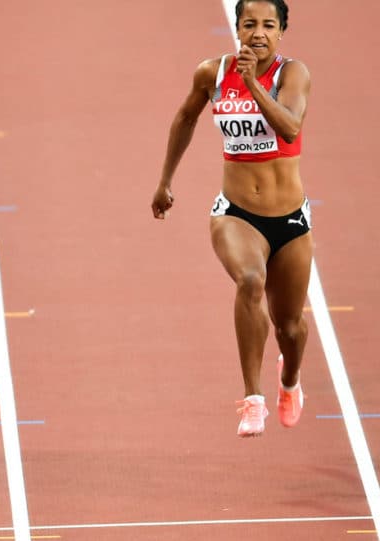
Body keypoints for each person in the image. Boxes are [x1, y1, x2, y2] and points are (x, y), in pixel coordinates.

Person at [151, 0, 310, 437]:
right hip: (236, 213)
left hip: (291, 219)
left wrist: (253, 85)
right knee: (249, 281)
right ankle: (252, 399)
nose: (258, 33)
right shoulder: (212, 73)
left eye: (268, 25)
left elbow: (290, 128)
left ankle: (289, 381)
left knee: (291, 327)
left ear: (281, 32)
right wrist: (165, 180)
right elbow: (185, 117)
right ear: (237, 28)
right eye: (250, 24)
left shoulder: (292, 74)